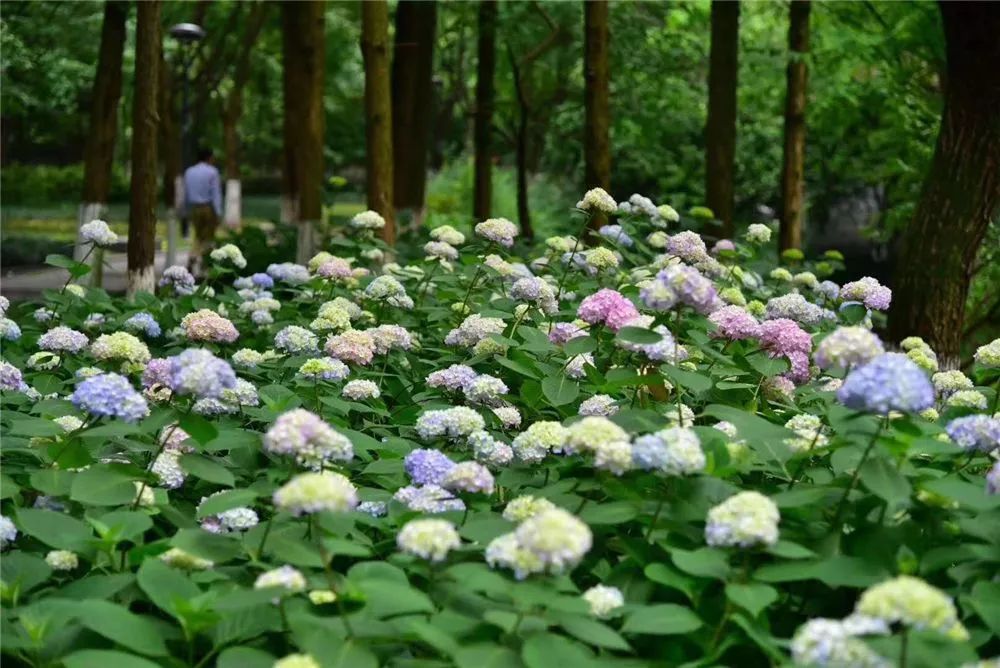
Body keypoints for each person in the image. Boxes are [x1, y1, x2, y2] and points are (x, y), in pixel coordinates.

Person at [184, 147, 223, 274]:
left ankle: (194, 258)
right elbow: (215, 194)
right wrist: (218, 213)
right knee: (208, 238)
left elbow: (186, 193)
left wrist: (185, 210)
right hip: (208, 208)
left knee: (198, 236)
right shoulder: (212, 172)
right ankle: (202, 262)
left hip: (194, 208)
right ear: (209, 158)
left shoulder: (189, 172)